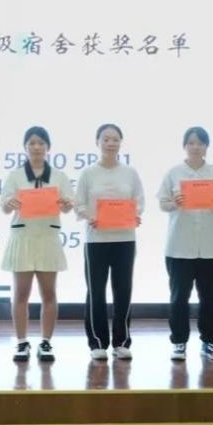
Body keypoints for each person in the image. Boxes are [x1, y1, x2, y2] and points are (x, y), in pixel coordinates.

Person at [157, 126, 213, 362]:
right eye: (191, 142)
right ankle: (179, 342)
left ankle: (209, 341)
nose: (195, 147)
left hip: (210, 246)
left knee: (210, 297)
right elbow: (162, 203)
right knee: (179, 297)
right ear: (184, 146)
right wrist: (175, 202)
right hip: (180, 245)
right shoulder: (174, 172)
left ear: (207, 146)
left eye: (200, 143)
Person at [0, 126, 74, 363]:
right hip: (23, 237)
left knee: (49, 293)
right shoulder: (15, 175)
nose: (36, 147)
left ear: (48, 147)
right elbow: (4, 206)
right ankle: (22, 342)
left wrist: (66, 204)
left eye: (41, 143)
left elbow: (69, 205)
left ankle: (46, 342)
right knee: (21, 294)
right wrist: (9, 203)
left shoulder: (59, 176)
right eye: (32, 143)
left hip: (47, 237)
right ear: (25, 147)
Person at [74, 123, 144, 361]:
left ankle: (121, 342)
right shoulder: (88, 173)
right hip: (96, 240)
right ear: (98, 142)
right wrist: (89, 216)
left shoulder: (130, 173)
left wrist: (135, 215)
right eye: (106, 139)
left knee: (123, 290)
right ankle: (97, 342)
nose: (111, 143)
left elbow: (139, 200)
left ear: (121, 143)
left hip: (125, 239)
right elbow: (79, 203)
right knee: (96, 292)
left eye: (115, 139)